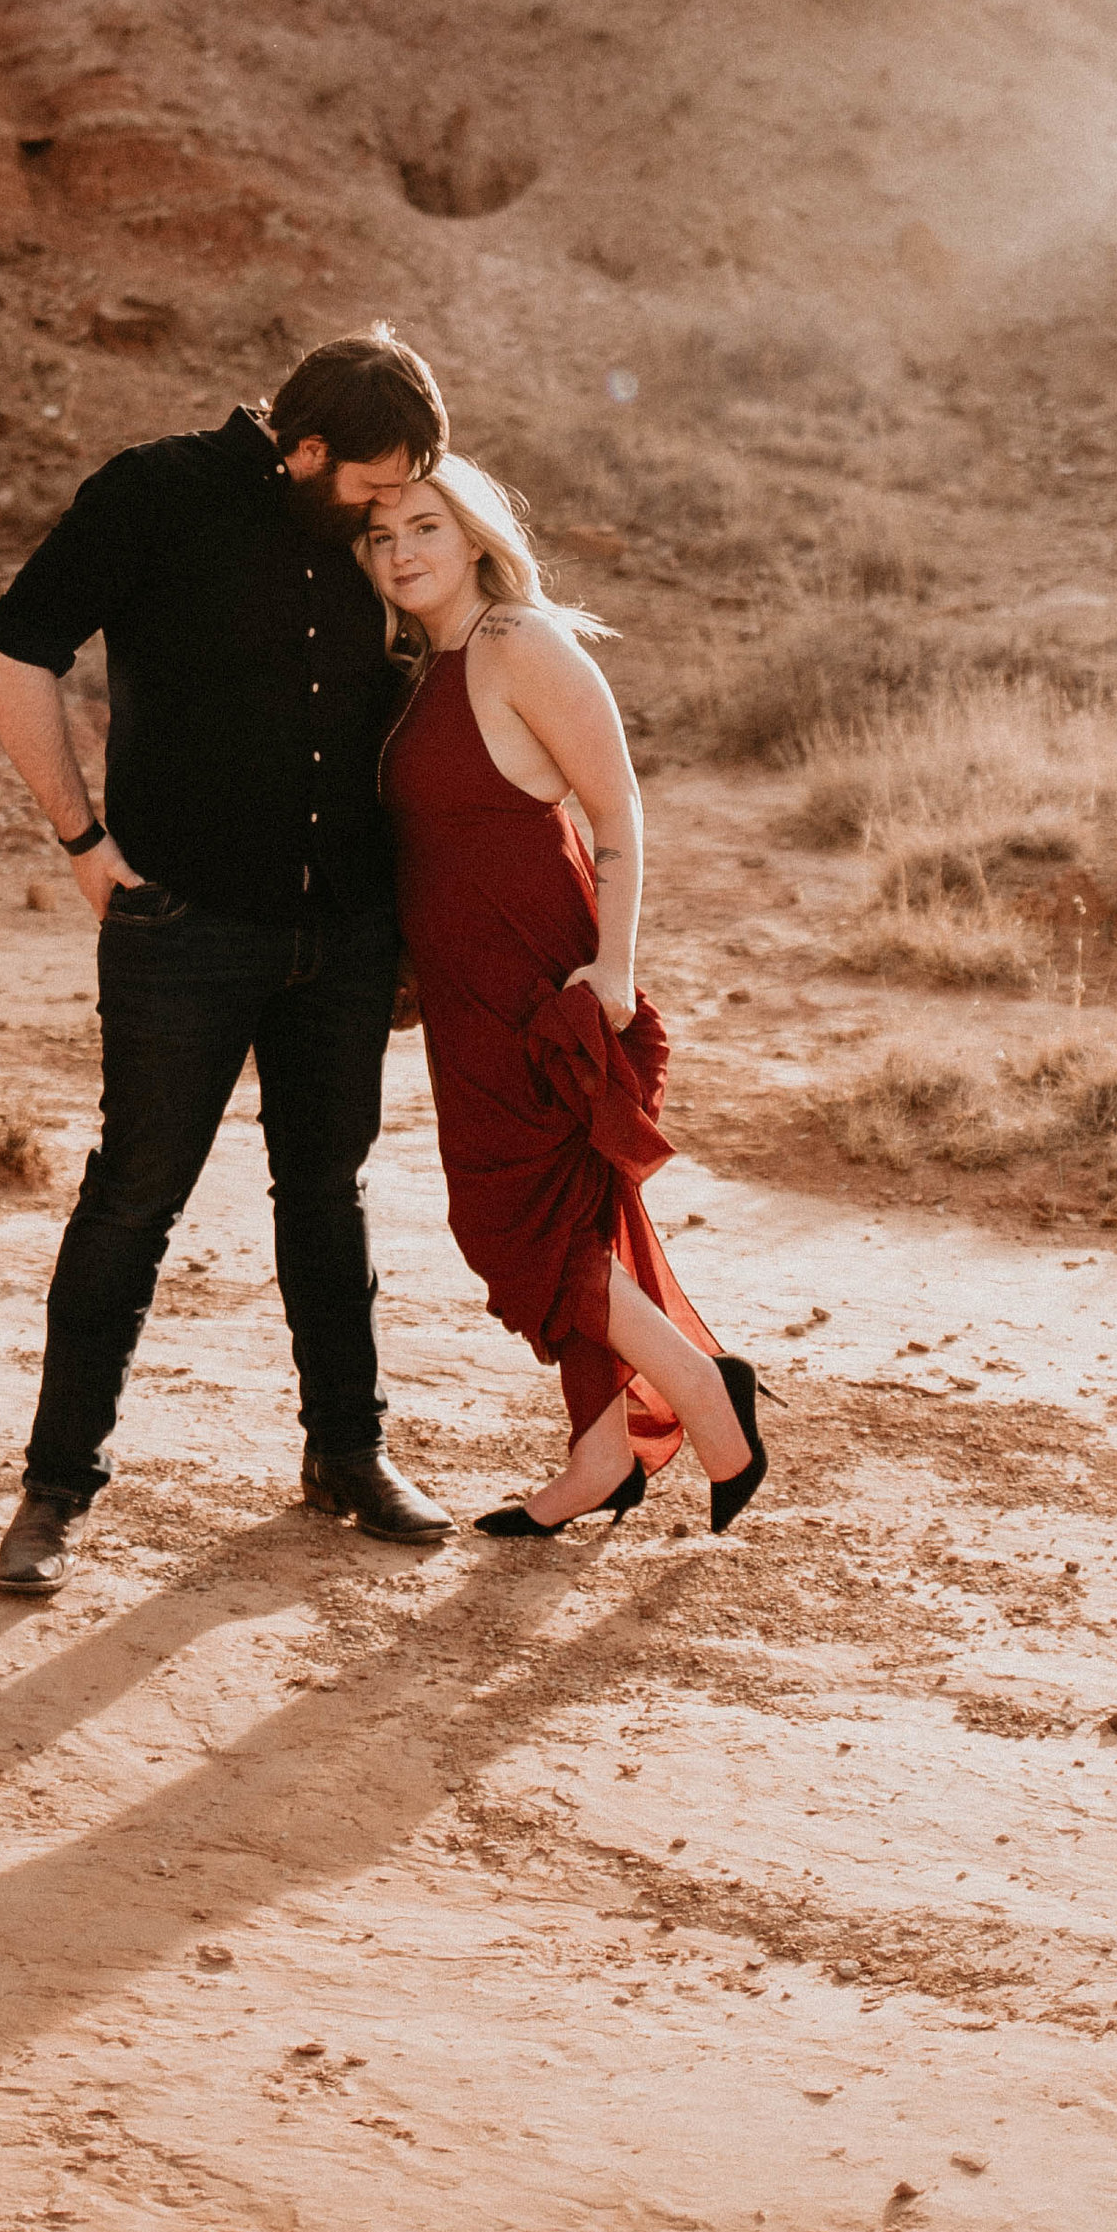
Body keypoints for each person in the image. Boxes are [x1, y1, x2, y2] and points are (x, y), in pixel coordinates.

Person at [0, 328, 457, 1599]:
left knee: (327, 1190)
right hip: (182, 923)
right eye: (370, 486)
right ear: (303, 450)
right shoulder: (157, 492)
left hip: (344, 927)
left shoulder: (386, 526)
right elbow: (12, 649)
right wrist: (81, 837)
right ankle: (54, 1492)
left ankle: (346, 1454)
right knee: (131, 1201)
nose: (390, 513)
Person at [368, 460, 767, 1536]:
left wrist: (616, 965)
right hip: (464, 996)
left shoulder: (515, 642)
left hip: (543, 979)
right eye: (380, 535)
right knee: (558, 1222)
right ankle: (600, 1461)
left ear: (473, 535)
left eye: (424, 527)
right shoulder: (423, 663)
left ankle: (700, 1386)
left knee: (511, 1225)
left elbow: (616, 807)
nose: (402, 551)